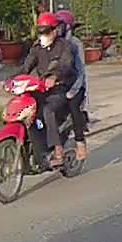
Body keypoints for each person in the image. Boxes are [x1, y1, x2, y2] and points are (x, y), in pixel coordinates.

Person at [18, 12, 76, 167]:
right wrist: (11, 80)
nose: (43, 35)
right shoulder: (36, 48)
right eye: (40, 31)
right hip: (41, 88)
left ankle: (58, 149)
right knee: (27, 111)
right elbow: (26, 67)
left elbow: (66, 65)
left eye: (46, 31)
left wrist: (54, 77)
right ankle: (36, 149)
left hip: (60, 88)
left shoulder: (65, 46)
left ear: (55, 30)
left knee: (47, 110)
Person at [54, 10, 89, 161]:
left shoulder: (75, 44)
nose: (56, 29)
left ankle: (80, 142)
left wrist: (74, 90)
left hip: (75, 85)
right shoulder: (53, 43)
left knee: (74, 107)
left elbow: (81, 71)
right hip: (57, 84)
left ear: (67, 27)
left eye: (59, 25)